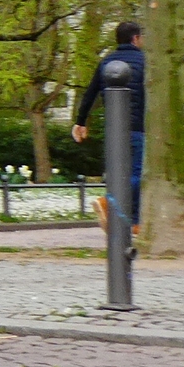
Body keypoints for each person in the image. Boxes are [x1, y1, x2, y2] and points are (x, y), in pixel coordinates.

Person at [72, 21, 145, 233]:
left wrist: (80, 121)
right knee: (136, 174)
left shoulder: (107, 62)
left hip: (113, 128)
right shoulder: (144, 61)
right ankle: (110, 204)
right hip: (136, 127)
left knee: (117, 173)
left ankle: (132, 223)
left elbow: (90, 93)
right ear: (136, 38)